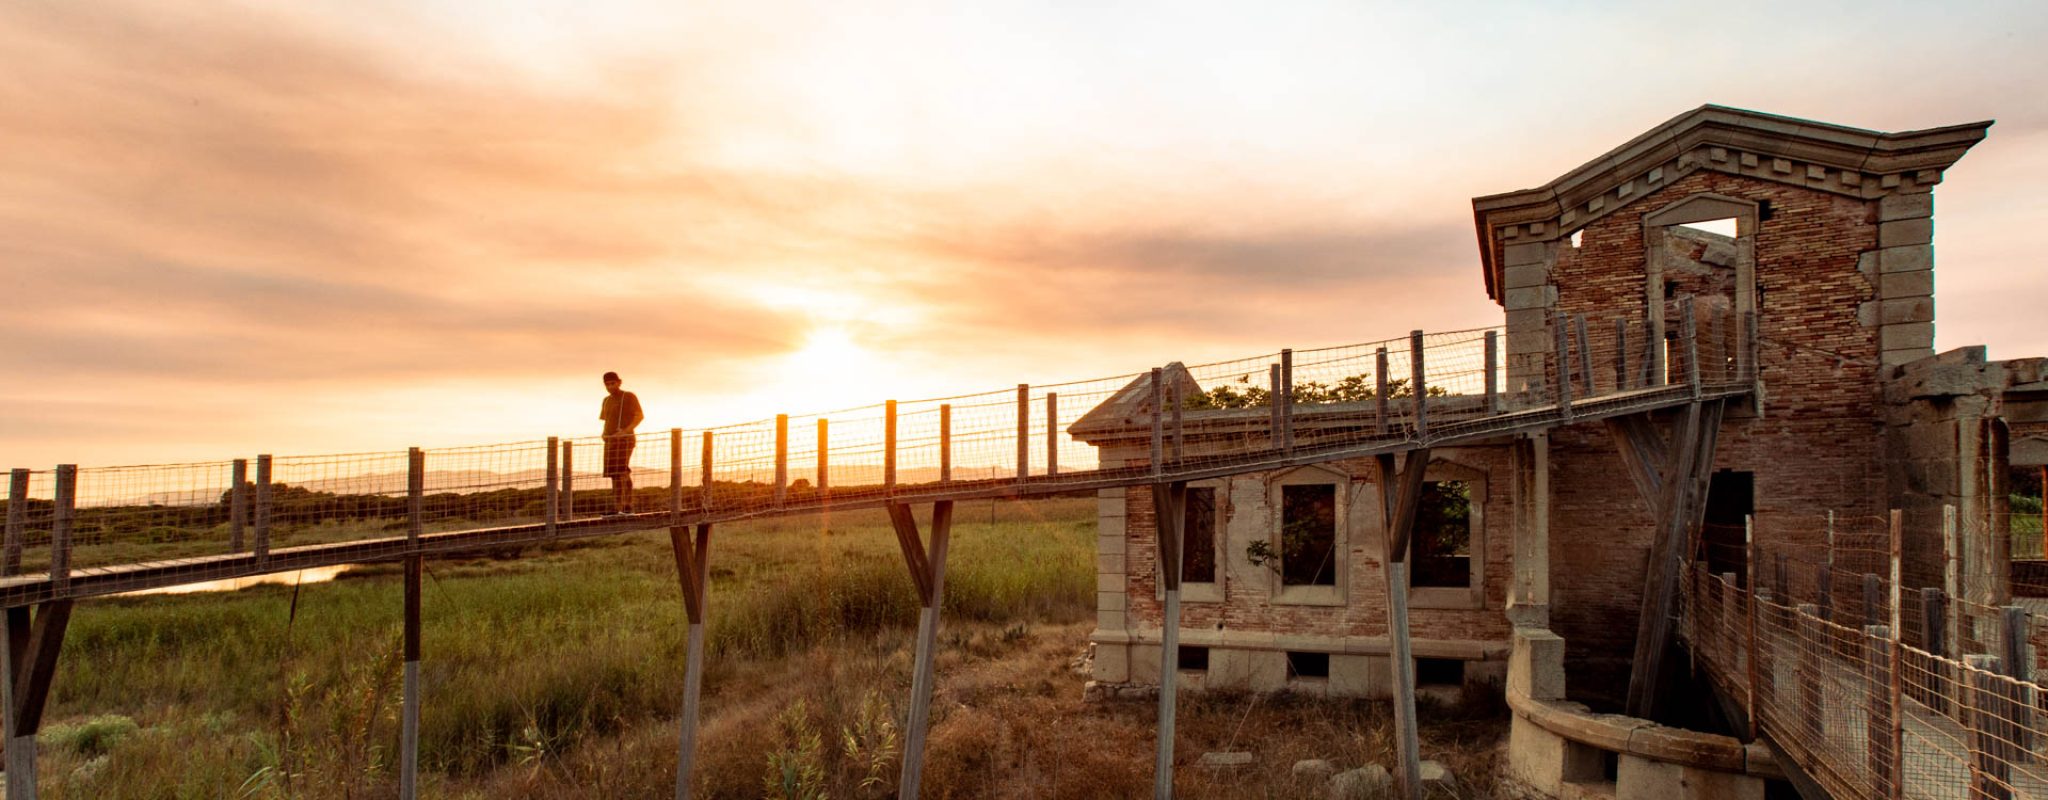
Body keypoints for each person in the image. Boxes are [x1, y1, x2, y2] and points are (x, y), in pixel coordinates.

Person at [599, 371, 644, 515]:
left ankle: (627, 506)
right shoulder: (606, 400)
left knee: (622, 470)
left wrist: (625, 431)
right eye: (607, 384)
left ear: (619, 382)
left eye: (613, 383)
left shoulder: (629, 396)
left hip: (625, 440)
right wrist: (604, 434)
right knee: (613, 474)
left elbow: (639, 416)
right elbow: (606, 421)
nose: (610, 386)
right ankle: (616, 507)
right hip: (610, 441)